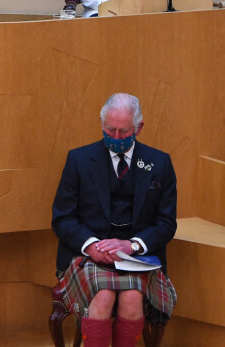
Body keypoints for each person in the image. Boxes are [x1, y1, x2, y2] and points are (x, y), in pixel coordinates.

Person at [52, 93, 177, 347]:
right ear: (102, 124)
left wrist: (132, 246)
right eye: (110, 130)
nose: (116, 137)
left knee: (132, 298)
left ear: (138, 128)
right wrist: (92, 246)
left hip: (138, 258)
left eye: (124, 131)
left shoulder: (160, 163)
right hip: (86, 255)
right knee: (103, 295)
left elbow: (166, 223)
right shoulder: (79, 160)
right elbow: (62, 218)